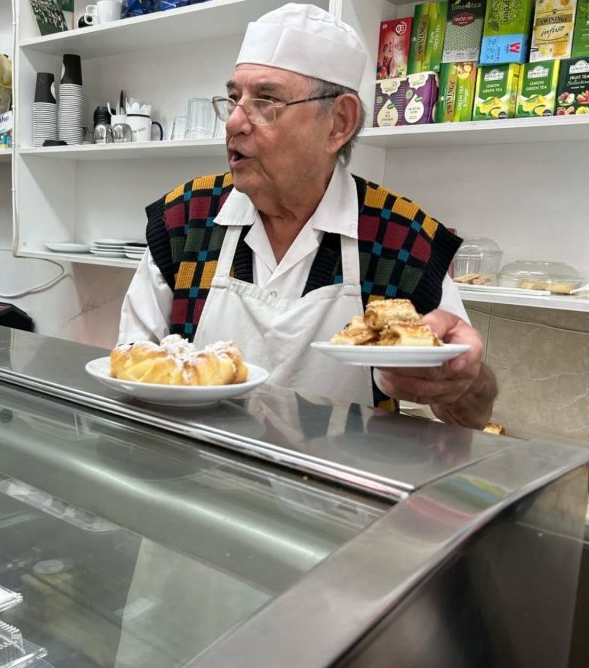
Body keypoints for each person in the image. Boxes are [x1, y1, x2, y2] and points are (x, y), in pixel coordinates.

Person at [117, 3, 497, 430]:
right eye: (233, 99)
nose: (235, 122)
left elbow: (474, 415)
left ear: (339, 122)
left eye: (265, 101)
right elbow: (130, 371)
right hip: (200, 481)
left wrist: (464, 381)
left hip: (341, 490)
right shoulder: (184, 221)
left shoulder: (401, 238)